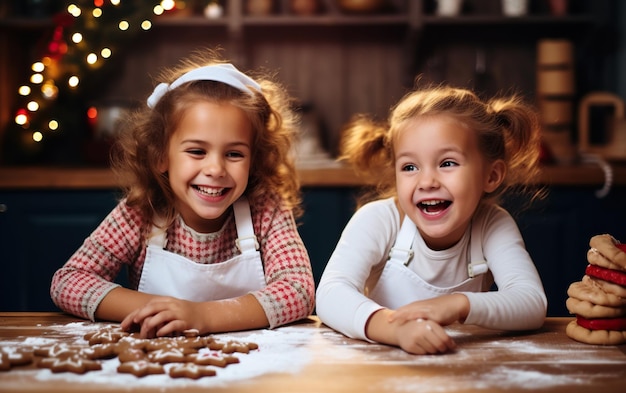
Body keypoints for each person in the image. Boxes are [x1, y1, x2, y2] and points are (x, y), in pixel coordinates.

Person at [50, 49, 315, 338]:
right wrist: (165, 310)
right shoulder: (141, 212)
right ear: (161, 156)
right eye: (197, 151)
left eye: (234, 154)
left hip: (249, 368)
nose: (215, 168)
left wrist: (202, 316)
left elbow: (298, 291)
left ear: (255, 161)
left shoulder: (265, 210)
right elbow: (69, 282)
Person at [316, 85, 547, 355]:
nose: (426, 182)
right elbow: (331, 294)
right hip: (382, 368)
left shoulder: (492, 224)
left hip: (461, 367)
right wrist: (394, 329)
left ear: (491, 175)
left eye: (447, 163)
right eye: (410, 167)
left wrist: (458, 304)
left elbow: (531, 302)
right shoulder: (379, 220)